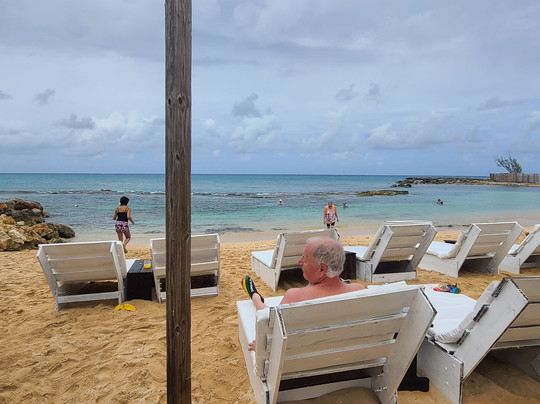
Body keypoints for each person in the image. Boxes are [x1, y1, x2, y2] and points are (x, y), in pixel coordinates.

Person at [241, 237, 365, 350]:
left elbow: (272, 331)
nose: (299, 262)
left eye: (305, 259)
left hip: (305, 361)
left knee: (265, 310)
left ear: (322, 269)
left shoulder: (295, 297)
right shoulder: (359, 291)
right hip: (349, 357)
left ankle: (256, 297)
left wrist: (262, 346)